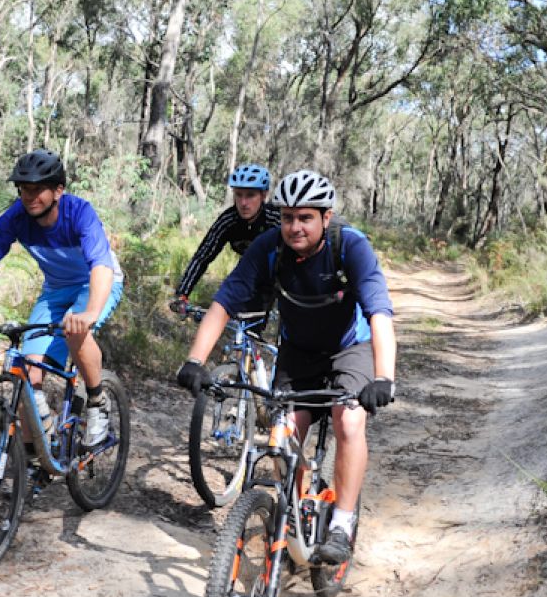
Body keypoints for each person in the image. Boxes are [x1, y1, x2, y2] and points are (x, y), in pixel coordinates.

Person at [175, 169, 395, 564]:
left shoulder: (351, 246)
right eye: (289, 216)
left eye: (305, 217)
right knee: (283, 437)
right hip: (298, 352)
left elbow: (379, 313)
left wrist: (383, 378)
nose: (295, 226)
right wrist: (195, 360)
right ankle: (297, 513)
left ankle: (342, 524)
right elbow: (224, 303)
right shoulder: (269, 247)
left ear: (325, 218)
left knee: (348, 420)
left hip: (350, 349)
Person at [0, 149, 124, 446]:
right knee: (27, 380)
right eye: (24, 189)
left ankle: (97, 401)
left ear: (58, 190)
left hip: (98, 283)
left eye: (38, 190)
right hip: (56, 290)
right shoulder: (16, 218)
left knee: (76, 329)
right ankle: (37, 455)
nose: (29, 196)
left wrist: (89, 313)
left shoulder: (79, 213)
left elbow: (101, 266)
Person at [169, 164, 282, 314]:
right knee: (246, 321)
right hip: (251, 274)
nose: (243, 203)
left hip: (283, 272)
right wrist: (182, 294)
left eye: (250, 195)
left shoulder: (276, 218)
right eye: (239, 195)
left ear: (263, 195)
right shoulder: (228, 220)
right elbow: (202, 257)